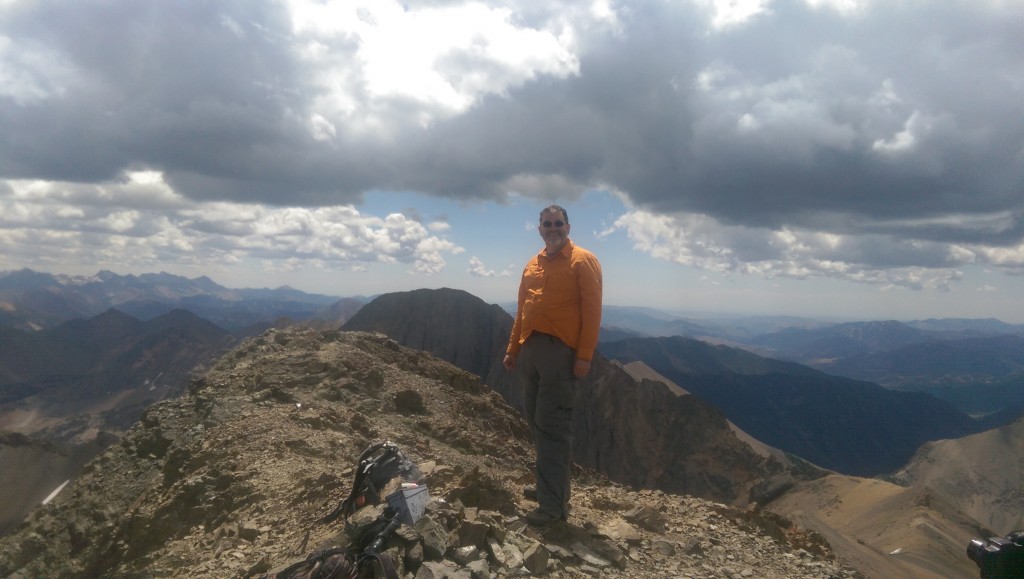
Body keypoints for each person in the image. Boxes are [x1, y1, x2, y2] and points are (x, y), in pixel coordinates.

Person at [503, 204, 603, 526]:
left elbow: (592, 312)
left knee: (553, 428)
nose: (553, 228)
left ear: (568, 227)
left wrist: (585, 355)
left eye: (559, 223)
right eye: (548, 223)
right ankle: (551, 489)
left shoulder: (582, 261)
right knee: (536, 421)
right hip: (531, 351)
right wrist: (513, 349)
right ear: (540, 229)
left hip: (561, 356)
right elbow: (522, 309)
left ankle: (552, 508)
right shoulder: (533, 263)